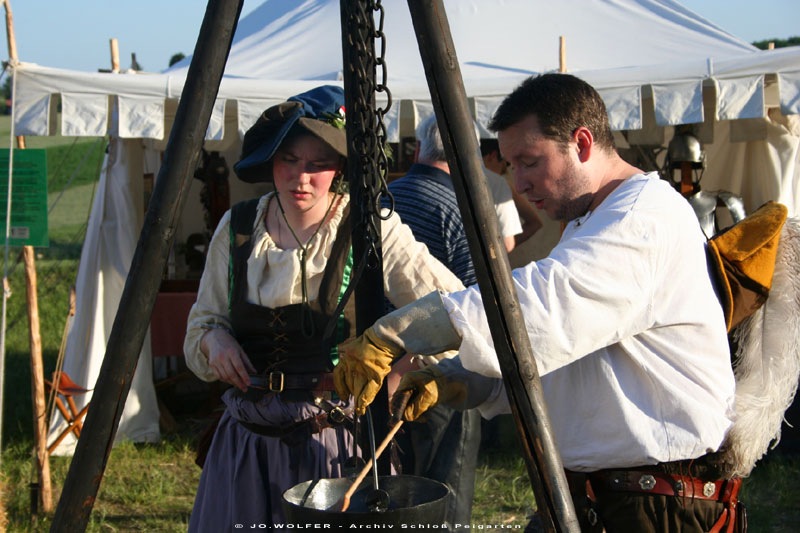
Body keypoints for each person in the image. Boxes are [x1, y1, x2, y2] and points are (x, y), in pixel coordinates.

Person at [333, 73, 740, 532]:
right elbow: (563, 358)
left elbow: (542, 305)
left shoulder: (643, 217)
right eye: (511, 165)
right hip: (595, 496)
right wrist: (454, 380)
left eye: (529, 161)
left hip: (659, 507)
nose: (519, 182)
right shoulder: (592, 220)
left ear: (582, 142)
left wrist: (395, 332)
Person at [183, 85, 464, 531]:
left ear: (340, 168)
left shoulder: (371, 226)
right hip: (246, 442)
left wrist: (409, 364)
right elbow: (203, 322)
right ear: (271, 160)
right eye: (289, 160)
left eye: (318, 165)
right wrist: (213, 339)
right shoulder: (237, 228)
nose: (301, 178)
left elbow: (455, 307)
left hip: (335, 443)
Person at [380, 114, 483, 529]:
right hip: (441, 372)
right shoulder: (467, 209)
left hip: (373, 367)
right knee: (445, 493)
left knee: (390, 488)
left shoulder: (382, 199)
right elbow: (474, 309)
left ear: (418, 149)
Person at [481, 138, 543, 249]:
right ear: (493, 155)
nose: (503, 172)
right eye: (505, 166)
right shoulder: (497, 183)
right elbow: (508, 244)